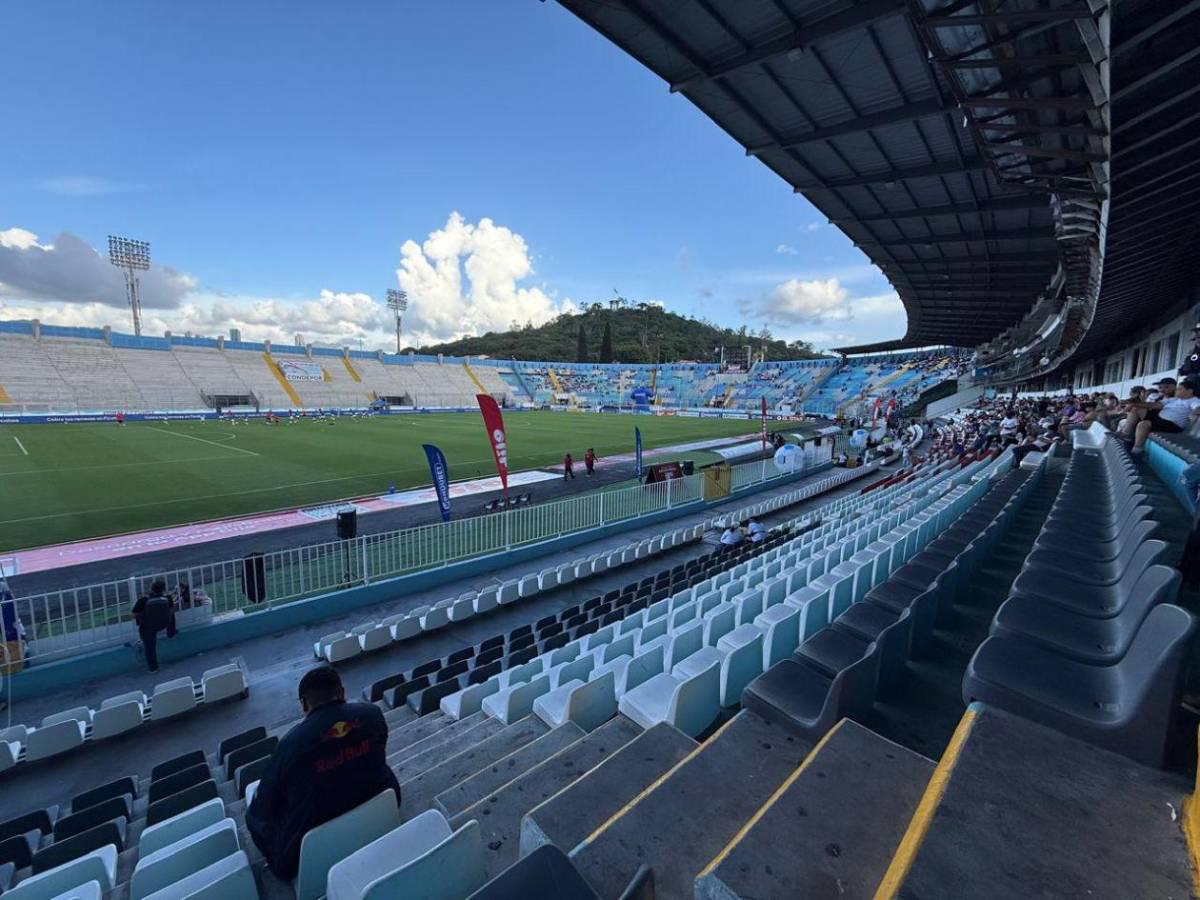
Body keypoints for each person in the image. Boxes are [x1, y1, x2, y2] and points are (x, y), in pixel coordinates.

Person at [246, 667, 401, 881]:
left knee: (254, 814)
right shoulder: (372, 714)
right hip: (376, 803)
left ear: (303, 704)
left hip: (311, 840)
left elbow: (264, 807)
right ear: (342, 692)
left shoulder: (291, 745)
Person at [1131, 376, 1200, 454]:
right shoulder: (1174, 399)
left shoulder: (1193, 400)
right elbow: (1155, 405)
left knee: (1143, 424)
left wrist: (1194, 413)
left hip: (1172, 425)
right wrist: (1134, 403)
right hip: (1161, 421)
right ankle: (1129, 438)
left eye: (1180, 389)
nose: (1176, 391)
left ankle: (1136, 451)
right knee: (1136, 410)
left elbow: (1198, 408)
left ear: (1190, 391)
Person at [131, 579, 174, 673]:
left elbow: (134, 615)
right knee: (150, 644)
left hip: (148, 627)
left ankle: (154, 668)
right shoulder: (168, 598)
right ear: (163, 589)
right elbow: (171, 611)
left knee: (149, 647)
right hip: (163, 624)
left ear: (151, 589)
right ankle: (171, 631)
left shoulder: (144, 600)